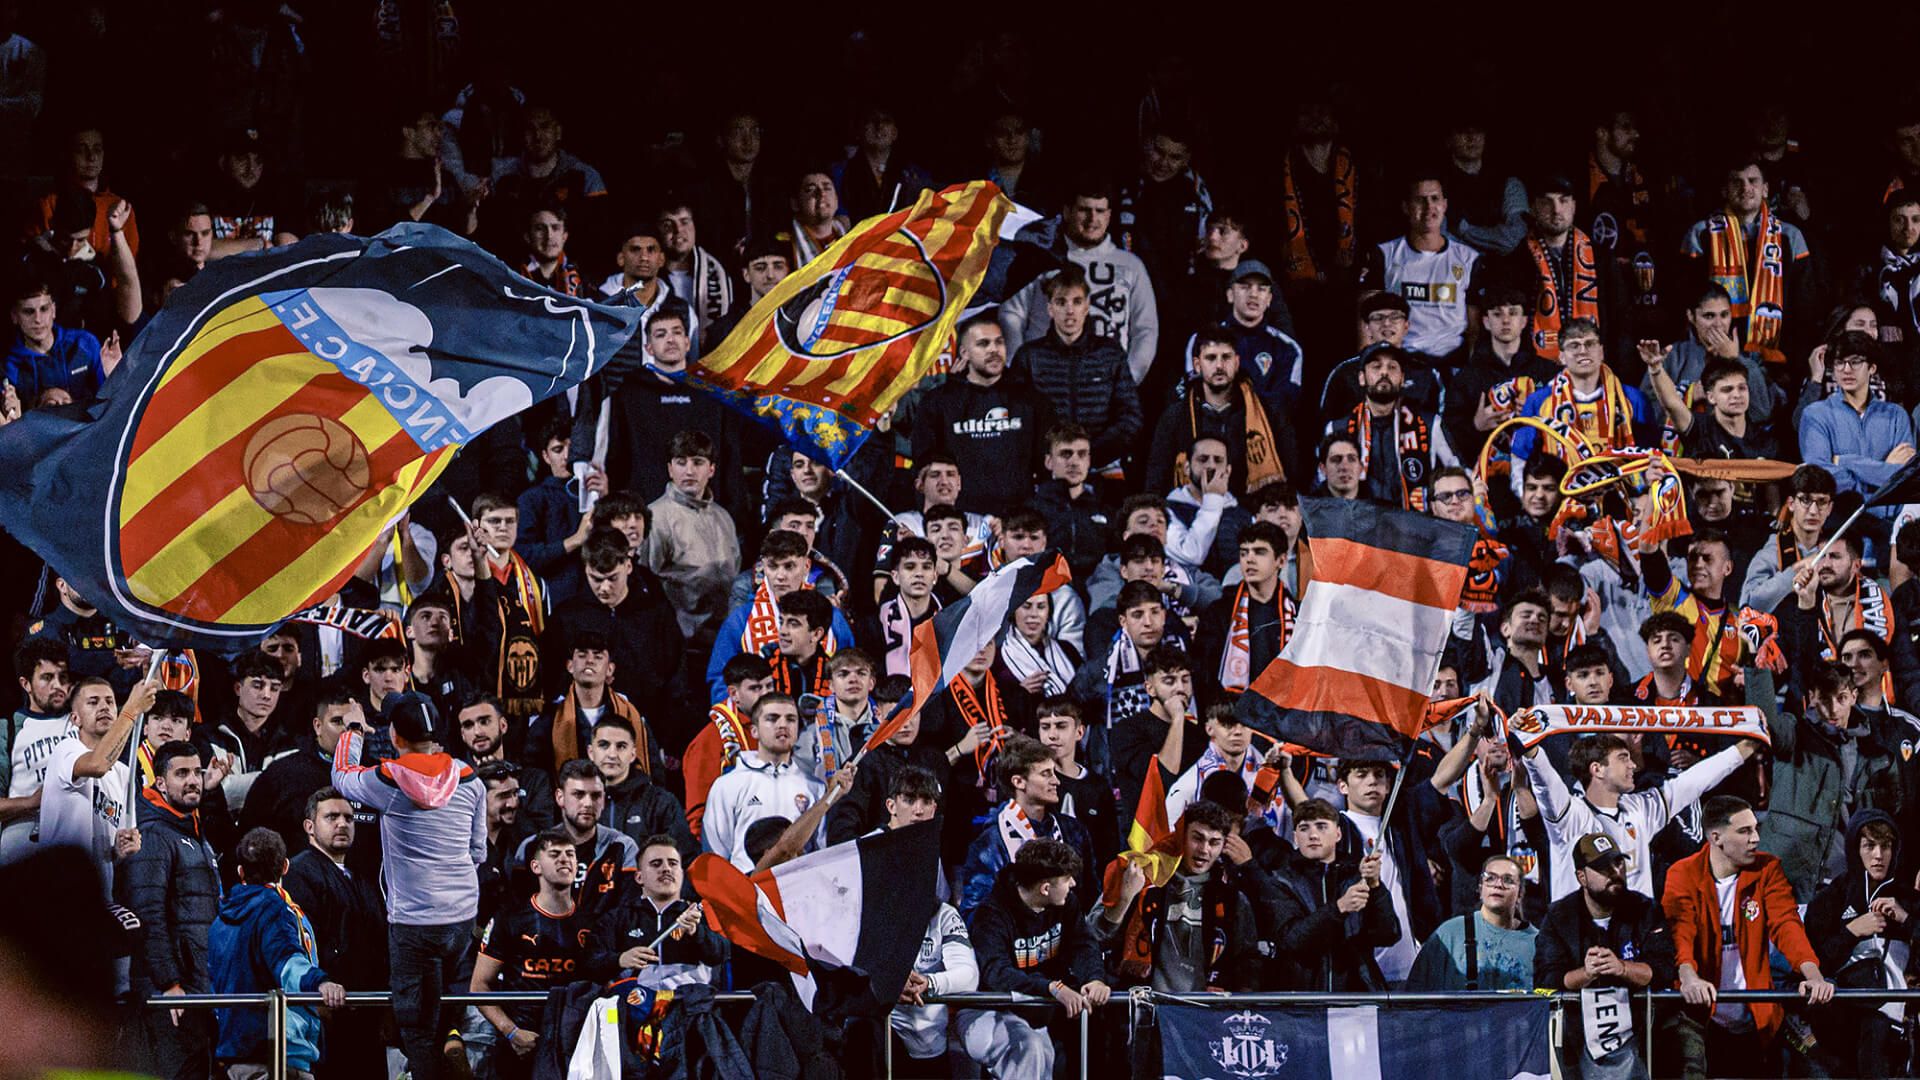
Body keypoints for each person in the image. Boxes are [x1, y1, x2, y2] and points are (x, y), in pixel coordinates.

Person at [329, 692, 486, 1080]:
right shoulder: (470, 779)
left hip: (414, 923)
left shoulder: (389, 780)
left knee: (415, 1027)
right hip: (462, 917)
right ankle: (452, 1043)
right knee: (446, 1005)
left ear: (395, 735)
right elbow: (478, 851)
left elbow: (342, 775)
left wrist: (353, 728)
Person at [1666, 796, 1834, 1078]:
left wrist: (1813, 974)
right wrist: (1689, 976)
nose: (1756, 838)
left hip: (1756, 1014)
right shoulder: (1683, 873)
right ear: (1716, 837)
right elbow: (1680, 931)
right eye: (1744, 831)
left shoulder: (1767, 868)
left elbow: (1786, 924)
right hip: (1700, 1016)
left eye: (1756, 829)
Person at [1522, 729, 1761, 902]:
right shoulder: (1570, 816)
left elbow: (1694, 781)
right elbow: (1544, 780)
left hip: (1633, 935)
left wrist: (1747, 747)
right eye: (1623, 758)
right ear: (1597, 769)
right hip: (1580, 940)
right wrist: (1528, 743)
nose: (1633, 766)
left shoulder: (1640, 808)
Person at [962, 837, 1110, 1080]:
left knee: (1045, 1053)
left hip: (1037, 1009)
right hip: (989, 1009)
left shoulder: (1066, 903)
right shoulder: (992, 914)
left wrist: (1094, 978)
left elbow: (1083, 944)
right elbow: (996, 973)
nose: (1073, 884)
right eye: (1066, 879)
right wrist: (1051, 987)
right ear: (1045, 888)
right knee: (1029, 1048)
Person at [1534, 832, 1678, 1079]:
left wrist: (1622, 968)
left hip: (1643, 1036)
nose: (1614, 872)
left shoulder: (1645, 909)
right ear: (1582, 877)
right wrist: (1586, 973)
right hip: (1577, 1039)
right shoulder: (1560, 916)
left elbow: (1664, 970)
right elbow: (1545, 983)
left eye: (1618, 862)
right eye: (1602, 867)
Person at [1764, 661, 1909, 899]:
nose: (1833, 709)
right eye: (1825, 698)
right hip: (1788, 872)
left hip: (1843, 878)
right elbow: (1767, 721)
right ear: (1811, 697)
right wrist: (1758, 671)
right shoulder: (1794, 733)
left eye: (1841, 698)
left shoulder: (1876, 754)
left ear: (1853, 696)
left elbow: (1890, 815)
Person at [209, 829, 346, 1080]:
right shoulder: (275, 909)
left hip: (234, 1055)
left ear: (241, 872)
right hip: (278, 1054)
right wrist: (320, 982)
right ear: (285, 867)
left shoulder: (218, 922)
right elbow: (287, 962)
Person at [1000, 181, 1159, 384]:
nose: (1093, 219)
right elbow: (1011, 314)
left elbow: (1145, 329)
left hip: (1107, 386)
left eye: (1100, 211)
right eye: (1084, 210)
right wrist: (1022, 373)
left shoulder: (1131, 265)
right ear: (1067, 212)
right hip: (1044, 383)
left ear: (1109, 215)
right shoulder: (1037, 259)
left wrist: (1128, 380)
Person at [125, 740, 220, 1079]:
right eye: (181, 773)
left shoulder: (194, 834)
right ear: (160, 783)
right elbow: (147, 912)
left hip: (196, 985)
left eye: (196, 772)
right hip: (171, 990)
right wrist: (169, 984)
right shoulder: (153, 834)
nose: (193, 780)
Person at [1097, 799, 1259, 991]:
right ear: (1181, 836)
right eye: (1197, 838)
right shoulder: (1144, 878)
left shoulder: (1233, 899)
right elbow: (1093, 936)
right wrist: (1125, 899)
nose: (1204, 849)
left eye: (1214, 842)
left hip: (1203, 1014)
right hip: (1146, 1010)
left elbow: (1248, 961)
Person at [280, 788, 387, 1080]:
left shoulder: (360, 876)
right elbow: (301, 941)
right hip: (328, 1012)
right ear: (310, 827)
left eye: (349, 818)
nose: (342, 824)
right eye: (332, 817)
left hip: (366, 1010)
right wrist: (316, 993)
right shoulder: (299, 872)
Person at [1803, 809, 1916, 1078]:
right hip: (1840, 1017)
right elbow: (1813, 963)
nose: (1878, 855)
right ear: (1855, 848)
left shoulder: (1908, 899)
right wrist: (1852, 931)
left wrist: (1906, 919)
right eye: (1869, 846)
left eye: (1885, 846)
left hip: (1895, 1019)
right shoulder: (1830, 899)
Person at [473, 827, 594, 1078]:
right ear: (536, 867)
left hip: (573, 1042)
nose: (565, 859)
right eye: (555, 854)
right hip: (521, 1043)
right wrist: (511, 1031)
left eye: (570, 854)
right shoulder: (510, 919)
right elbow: (479, 985)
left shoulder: (591, 921)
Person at [911, 313, 1050, 517]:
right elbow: (924, 466)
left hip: (1019, 522)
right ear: (965, 353)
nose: (994, 350)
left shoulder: (1031, 400)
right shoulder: (938, 402)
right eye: (983, 344)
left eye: (999, 342)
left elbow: (1047, 463)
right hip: (960, 522)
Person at [1008, 266, 1143, 475]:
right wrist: (1054, 458)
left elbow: (1130, 417)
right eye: (1061, 302)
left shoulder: (1110, 353)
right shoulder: (1029, 356)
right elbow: (1016, 419)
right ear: (1050, 309)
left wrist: (1088, 455)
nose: (1069, 310)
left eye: (1077, 302)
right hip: (1046, 469)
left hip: (1102, 466)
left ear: (1087, 307)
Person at [1681, 156, 1813, 365]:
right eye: (1737, 182)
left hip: (1775, 354)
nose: (1746, 188)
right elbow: (1688, 296)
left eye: (1753, 181)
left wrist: (1795, 355)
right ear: (1724, 190)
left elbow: (1803, 306)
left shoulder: (1790, 236)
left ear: (1766, 189)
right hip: (1712, 352)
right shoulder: (1701, 234)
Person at [957, 733, 1097, 916]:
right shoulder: (990, 843)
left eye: (1054, 772)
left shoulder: (1073, 830)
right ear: (1018, 782)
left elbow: (1089, 894)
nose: (1056, 781)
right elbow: (976, 915)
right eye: (1046, 774)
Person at [1269, 798, 1400, 990]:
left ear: (1338, 833)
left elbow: (1388, 935)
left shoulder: (1357, 876)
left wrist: (1375, 887)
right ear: (1295, 837)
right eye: (1304, 828)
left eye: (1322, 826)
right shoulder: (1281, 880)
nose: (1313, 835)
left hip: (1356, 997)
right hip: (1301, 1000)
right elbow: (1292, 940)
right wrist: (1339, 908)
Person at [36, 676, 150, 891]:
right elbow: (98, 765)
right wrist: (132, 710)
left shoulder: (124, 774)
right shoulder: (66, 750)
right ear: (75, 718)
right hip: (59, 892)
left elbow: (114, 850)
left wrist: (122, 849)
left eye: (109, 701)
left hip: (99, 895)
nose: (104, 707)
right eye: (93, 702)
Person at [1148, 328, 1291, 498]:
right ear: (1197, 365)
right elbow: (1156, 480)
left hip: (1252, 513)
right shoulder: (1175, 416)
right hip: (1188, 513)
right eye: (1211, 358)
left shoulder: (1268, 412)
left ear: (1237, 363)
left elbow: (1292, 470)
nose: (1219, 366)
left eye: (1226, 357)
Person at [1357, 172, 1481, 365]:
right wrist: (1366, 363)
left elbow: (1474, 328)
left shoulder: (1468, 258)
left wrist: (1472, 372)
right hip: (1400, 361)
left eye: (1435, 199)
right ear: (1406, 207)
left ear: (1445, 205)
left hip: (1453, 362)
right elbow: (1365, 316)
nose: (1429, 207)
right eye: (1420, 200)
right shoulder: (1385, 254)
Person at [583, 833, 726, 988]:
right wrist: (619, 959)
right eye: (656, 864)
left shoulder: (700, 916)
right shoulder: (616, 918)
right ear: (639, 877)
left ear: (682, 874)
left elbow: (720, 956)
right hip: (634, 1006)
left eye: (673, 863)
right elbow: (590, 964)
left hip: (687, 1007)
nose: (666, 869)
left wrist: (696, 932)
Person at [702, 694, 823, 871]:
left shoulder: (815, 787)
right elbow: (716, 855)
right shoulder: (727, 786)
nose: (783, 725)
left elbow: (822, 853)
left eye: (790, 719)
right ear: (754, 731)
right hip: (746, 891)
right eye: (772, 718)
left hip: (800, 889)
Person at [645, 429, 741, 647]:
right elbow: (644, 585)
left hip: (722, 639)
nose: (689, 470)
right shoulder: (655, 517)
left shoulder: (723, 517)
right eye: (681, 462)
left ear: (712, 469)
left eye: (698, 462)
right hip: (679, 641)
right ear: (670, 469)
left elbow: (734, 574)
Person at [1495, 173, 1605, 362]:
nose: (1556, 210)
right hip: (1538, 371)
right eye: (1547, 202)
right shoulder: (1515, 262)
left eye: (1564, 201)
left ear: (1574, 206)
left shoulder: (1601, 258)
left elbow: (1620, 323)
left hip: (1594, 368)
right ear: (1533, 208)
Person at [513, 759, 640, 919]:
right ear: (560, 797)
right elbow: (520, 914)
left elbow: (629, 916)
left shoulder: (623, 848)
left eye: (596, 796)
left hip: (605, 940)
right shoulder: (531, 848)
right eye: (578, 795)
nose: (588, 803)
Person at [1798, 331, 1915, 495]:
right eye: (1840, 363)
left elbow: (1907, 476)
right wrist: (1881, 479)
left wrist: (1846, 462)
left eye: (1855, 362)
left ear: (1872, 368)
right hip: (1840, 514)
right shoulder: (1815, 415)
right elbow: (1821, 475)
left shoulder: (1896, 416)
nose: (1846, 369)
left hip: (1890, 516)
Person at [1405, 853, 1537, 991]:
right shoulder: (1450, 934)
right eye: (1490, 878)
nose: (1498, 884)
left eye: (1508, 880)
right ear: (1480, 889)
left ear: (1520, 894)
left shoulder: (1537, 942)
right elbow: (1416, 990)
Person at [1328, 345, 1433, 510]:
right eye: (1376, 367)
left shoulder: (1430, 425)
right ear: (1362, 378)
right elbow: (1321, 486)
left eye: (1392, 367)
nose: (1384, 372)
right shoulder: (1336, 429)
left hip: (1415, 526)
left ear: (1402, 378)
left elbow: (1460, 473)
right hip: (1357, 525)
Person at [586, 714, 694, 864]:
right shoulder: (577, 802)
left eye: (621, 746)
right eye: (604, 745)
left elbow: (684, 861)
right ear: (591, 752)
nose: (612, 754)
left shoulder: (661, 803)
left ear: (632, 754)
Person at [4, 275, 118, 406]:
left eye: (44, 309)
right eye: (28, 312)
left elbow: (110, 402)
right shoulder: (9, 366)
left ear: (53, 310)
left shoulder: (84, 343)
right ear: (14, 316)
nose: (38, 319)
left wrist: (115, 376)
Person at [1742, 465, 1837, 614]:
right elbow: (1749, 606)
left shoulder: (1836, 549)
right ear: (1791, 504)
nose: (1813, 511)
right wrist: (1793, 573)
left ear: (1830, 508)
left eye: (1822, 502)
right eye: (1805, 500)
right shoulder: (1771, 553)